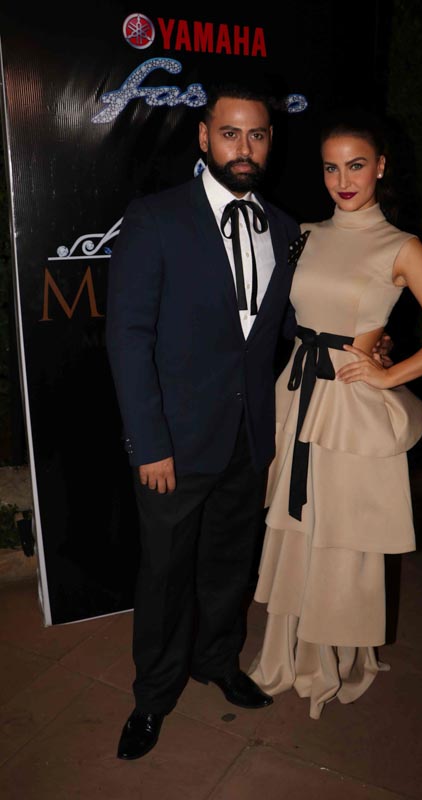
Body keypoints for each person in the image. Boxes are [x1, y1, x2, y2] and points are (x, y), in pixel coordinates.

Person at [248, 107, 422, 719]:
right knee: (295, 528)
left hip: (348, 405)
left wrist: (387, 373)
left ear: (380, 167)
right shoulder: (305, 234)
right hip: (297, 393)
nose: (343, 180)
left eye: (356, 166)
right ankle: (285, 653)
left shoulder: (402, 247)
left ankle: (330, 658)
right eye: (331, 168)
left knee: (342, 536)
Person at [105, 81, 302, 760]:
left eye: (257, 135)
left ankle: (217, 660)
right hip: (173, 445)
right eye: (230, 133)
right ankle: (152, 697)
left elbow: (285, 331)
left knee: (228, 565)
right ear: (203, 136)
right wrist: (148, 443)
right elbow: (128, 338)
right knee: (164, 575)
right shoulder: (156, 218)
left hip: (248, 440)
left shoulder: (284, 228)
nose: (244, 148)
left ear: (270, 142)